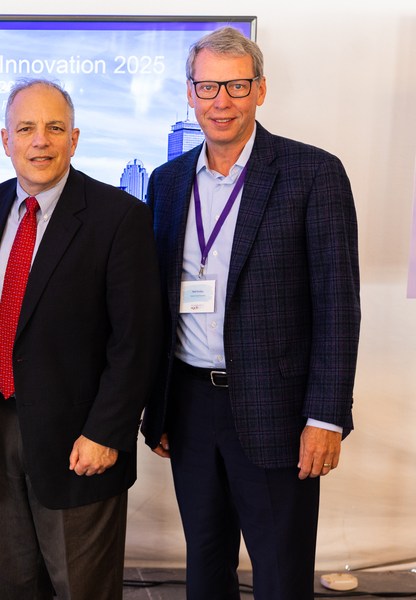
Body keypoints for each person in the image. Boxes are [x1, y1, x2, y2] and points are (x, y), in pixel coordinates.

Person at [142, 26, 360, 600]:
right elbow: (157, 302)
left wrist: (326, 417)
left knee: (281, 574)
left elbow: (339, 305)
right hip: (189, 406)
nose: (221, 101)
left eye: (236, 86)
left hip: (280, 412)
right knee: (205, 566)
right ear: (189, 93)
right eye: (208, 86)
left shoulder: (313, 174)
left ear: (260, 90)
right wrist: (157, 403)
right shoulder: (166, 184)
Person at [0, 79, 162, 600]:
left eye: (54, 128)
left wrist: (106, 432)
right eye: (26, 128)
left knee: (81, 588)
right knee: (9, 583)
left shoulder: (119, 217)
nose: (40, 141)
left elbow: (137, 341)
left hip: (81, 438)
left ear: (75, 139)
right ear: (5, 140)